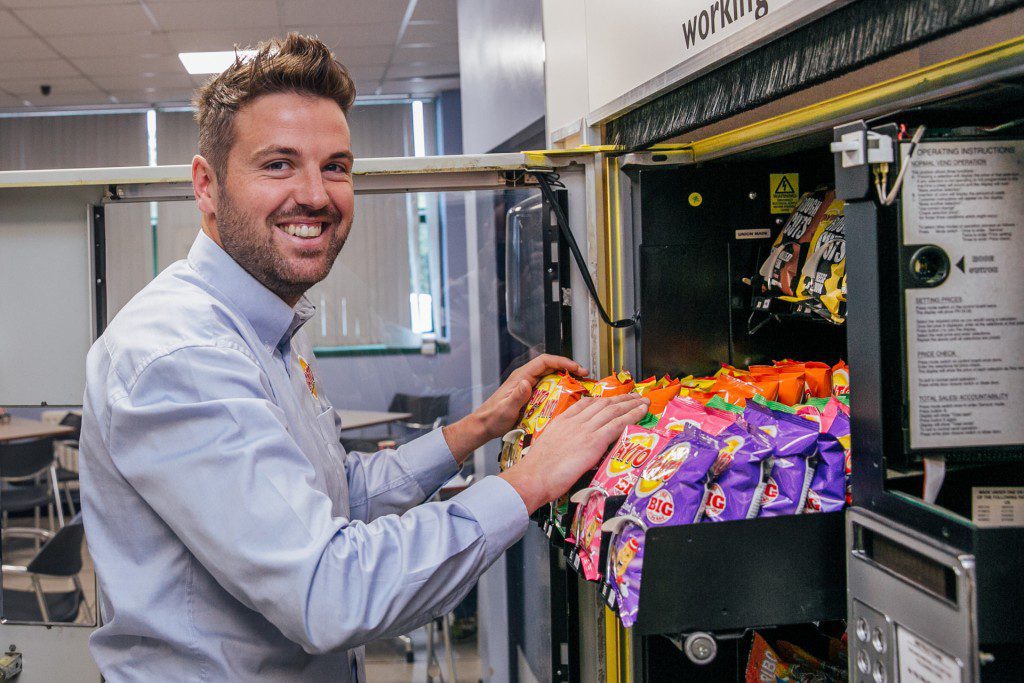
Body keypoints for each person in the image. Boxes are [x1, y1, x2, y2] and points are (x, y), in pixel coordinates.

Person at [79, 34, 648, 681]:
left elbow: (335, 492)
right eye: (278, 165)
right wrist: (529, 482)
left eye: (337, 166)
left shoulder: (266, 324)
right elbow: (329, 589)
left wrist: (480, 427)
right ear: (206, 186)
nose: (316, 195)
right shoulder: (181, 355)